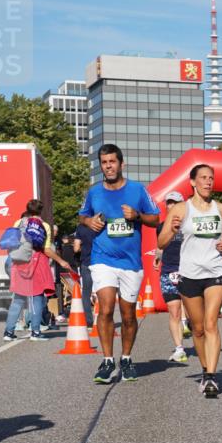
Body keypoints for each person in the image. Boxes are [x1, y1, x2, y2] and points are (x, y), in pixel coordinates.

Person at [78, 143, 160, 383]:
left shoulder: (137, 190)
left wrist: (137, 216)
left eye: (112, 162)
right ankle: (107, 361)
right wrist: (88, 222)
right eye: (104, 163)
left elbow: (155, 219)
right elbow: (82, 215)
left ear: (121, 164)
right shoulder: (94, 192)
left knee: (128, 315)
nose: (108, 166)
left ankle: (126, 358)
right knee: (105, 309)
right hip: (103, 258)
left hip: (131, 262)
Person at [158, 164, 222, 397]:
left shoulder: (221, 209)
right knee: (198, 328)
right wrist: (171, 229)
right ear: (192, 182)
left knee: (211, 323)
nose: (208, 182)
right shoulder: (181, 208)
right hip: (189, 273)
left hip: (215, 271)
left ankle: (211, 376)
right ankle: (204, 369)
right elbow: (161, 242)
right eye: (203, 178)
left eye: (211, 178)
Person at [3, 200, 72, 341]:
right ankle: (35, 332)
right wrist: (61, 261)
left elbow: (11, 243)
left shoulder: (18, 223)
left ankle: (8, 333)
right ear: (41, 211)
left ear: (27, 209)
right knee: (37, 298)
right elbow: (46, 250)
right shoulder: (45, 226)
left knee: (18, 299)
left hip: (19, 262)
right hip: (36, 263)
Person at [154, 191, 188, 363]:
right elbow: (160, 246)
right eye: (169, 203)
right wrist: (157, 258)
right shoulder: (161, 227)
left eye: (175, 203)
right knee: (174, 311)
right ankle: (179, 349)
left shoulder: (189, 224)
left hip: (189, 271)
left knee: (194, 312)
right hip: (168, 270)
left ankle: (202, 340)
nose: (171, 206)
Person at [74, 221, 97, 329]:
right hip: (100, 262)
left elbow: (76, 248)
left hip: (86, 262)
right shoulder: (100, 224)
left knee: (86, 293)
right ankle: (103, 320)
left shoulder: (81, 227)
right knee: (104, 292)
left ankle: (89, 321)